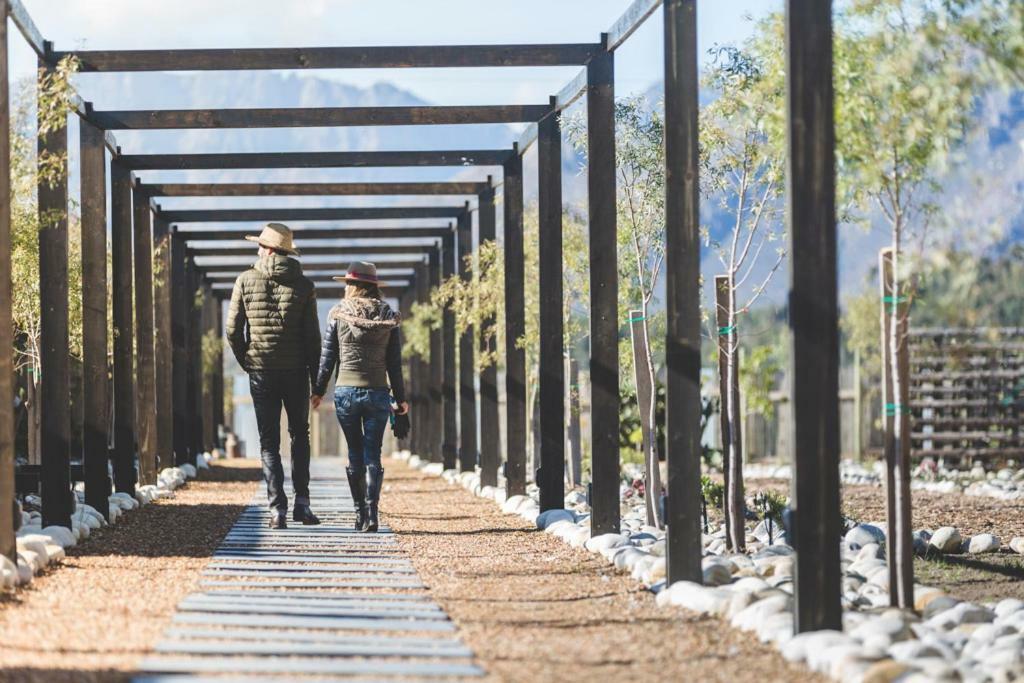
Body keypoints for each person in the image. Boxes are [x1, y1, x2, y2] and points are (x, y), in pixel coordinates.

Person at [225, 223, 322, 529]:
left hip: (262, 372)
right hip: (296, 372)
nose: (257, 249)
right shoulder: (305, 286)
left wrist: (248, 361)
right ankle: (302, 504)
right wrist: (317, 381)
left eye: (259, 245)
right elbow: (313, 339)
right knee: (299, 435)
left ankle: (276, 508)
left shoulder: (244, 280)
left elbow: (232, 330)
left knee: (269, 442)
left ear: (267, 249)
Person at [311, 261, 408, 533]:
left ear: (350, 286)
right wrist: (401, 399)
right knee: (373, 454)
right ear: (374, 286)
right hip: (378, 393)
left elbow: (327, 359)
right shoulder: (388, 316)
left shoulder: (338, 315)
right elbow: (394, 363)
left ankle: (359, 515)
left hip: (346, 394)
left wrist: (318, 391)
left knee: (354, 452)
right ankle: (373, 513)